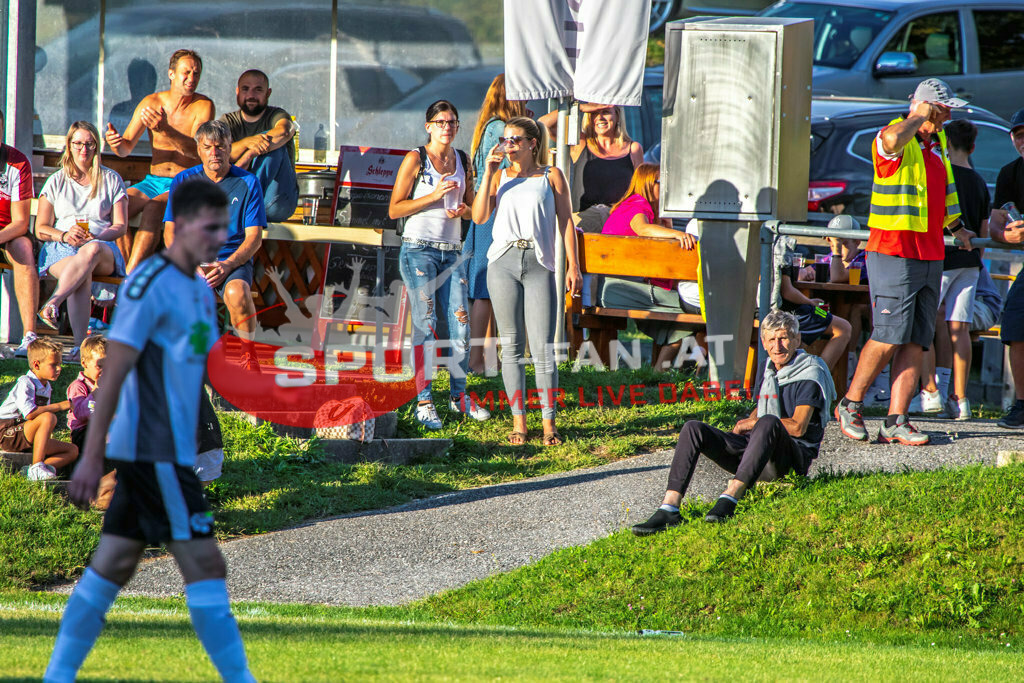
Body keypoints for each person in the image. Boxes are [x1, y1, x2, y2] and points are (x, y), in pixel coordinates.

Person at [44, 179, 256, 683]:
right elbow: (118, 370)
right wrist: (91, 457)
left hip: (164, 450)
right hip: (155, 454)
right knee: (205, 571)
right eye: (212, 226)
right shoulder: (151, 285)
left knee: (111, 568)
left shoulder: (196, 290)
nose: (220, 236)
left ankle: (58, 674)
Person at [833, 78, 972, 445]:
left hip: (930, 253)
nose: (947, 118)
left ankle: (897, 419)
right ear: (926, 108)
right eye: (943, 111)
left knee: (916, 340)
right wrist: (918, 115)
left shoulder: (937, 142)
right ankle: (850, 403)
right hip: (894, 250)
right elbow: (892, 141)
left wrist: (958, 228)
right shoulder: (894, 135)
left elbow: (945, 192)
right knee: (888, 335)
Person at [631, 310, 835, 534]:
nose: (777, 346)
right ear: (764, 343)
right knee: (693, 428)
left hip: (788, 461)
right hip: (757, 452)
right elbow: (762, 407)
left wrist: (753, 423)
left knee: (767, 422)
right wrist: (746, 422)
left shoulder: (810, 372)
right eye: (771, 339)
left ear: (797, 339)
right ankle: (669, 509)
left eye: (784, 338)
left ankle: (731, 496)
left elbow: (798, 427)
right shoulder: (769, 368)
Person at [471, 116, 582, 446]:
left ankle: (549, 424)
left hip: (539, 263)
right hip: (502, 262)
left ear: (533, 143)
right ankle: (519, 423)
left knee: (543, 347)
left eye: (515, 139)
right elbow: (478, 217)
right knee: (511, 346)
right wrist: (488, 173)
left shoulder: (551, 176)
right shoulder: (499, 175)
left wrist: (573, 266)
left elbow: (566, 222)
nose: (509, 146)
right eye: (505, 139)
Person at [388, 100, 490, 429]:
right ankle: (423, 400)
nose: (447, 127)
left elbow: (474, 210)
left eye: (453, 122)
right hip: (418, 249)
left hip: (452, 251)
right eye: (441, 122)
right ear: (428, 127)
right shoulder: (416, 159)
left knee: (461, 325)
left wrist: (463, 210)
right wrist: (433, 196)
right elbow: (394, 209)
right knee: (427, 323)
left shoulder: (463, 159)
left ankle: (458, 396)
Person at [164, 120, 265, 372]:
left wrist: (228, 264)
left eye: (220, 146)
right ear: (198, 149)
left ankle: (248, 355)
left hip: (232, 259)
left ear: (230, 147)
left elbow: (254, 237)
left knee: (237, 293)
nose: (214, 153)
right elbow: (170, 232)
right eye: (208, 147)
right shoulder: (184, 180)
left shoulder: (248, 182)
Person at [105, 49, 214, 273]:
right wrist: (115, 143)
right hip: (154, 181)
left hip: (187, 182)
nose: (191, 78)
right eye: (186, 72)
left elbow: (199, 151)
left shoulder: (203, 106)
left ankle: (129, 279)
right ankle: (125, 275)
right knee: (117, 206)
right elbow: (125, 148)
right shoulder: (151, 102)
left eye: (196, 73)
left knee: (154, 208)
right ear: (171, 74)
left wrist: (166, 130)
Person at [913, 119, 986, 420]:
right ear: (972, 147)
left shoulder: (942, 173)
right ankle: (961, 398)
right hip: (971, 262)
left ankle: (930, 391)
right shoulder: (979, 181)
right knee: (960, 328)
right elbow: (983, 228)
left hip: (941, 258)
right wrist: (977, 257)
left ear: (945, 143)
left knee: (924, 323)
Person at [34, 122, 128, 353]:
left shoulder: (111, 179)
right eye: (78, 143)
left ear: (96, 146)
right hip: (62, 247)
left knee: (91, 250)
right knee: (80, 273)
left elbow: (121, 226)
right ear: (69, 145)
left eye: (89, 144)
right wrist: (64, 235)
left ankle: (53, 301)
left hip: (101, 247)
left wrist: (97, 236)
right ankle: (79, 347)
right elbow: (41, 228)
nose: (83, 149)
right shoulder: (56, 180)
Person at [598, 163, 700, 369]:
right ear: (647, 183)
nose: (667, 188)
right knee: (694, 310)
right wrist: (678, 234)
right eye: (662, 182)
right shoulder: (638, 204)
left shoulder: (635, 205)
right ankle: (661, 372)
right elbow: (642, 229)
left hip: (619, 287)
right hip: (627, 290)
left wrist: (667, 223)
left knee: (684, 317)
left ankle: (661, 372)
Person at [465, 74, 526, 375]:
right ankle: (476, 360)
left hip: (488, 209)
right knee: (484, 289)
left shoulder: (489, 126)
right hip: (491, 211)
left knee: (488, 289)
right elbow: (508, 169)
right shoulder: (500, 129)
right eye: (522, 94)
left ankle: (489, 359)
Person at [220, 69, 299, 222]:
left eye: (258, 90)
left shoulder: (277, 115)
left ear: (268, 93)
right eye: (245, 89)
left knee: (274, 144)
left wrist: (250, 153)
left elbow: (285, 131)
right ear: (237, 92)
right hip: (238, 199)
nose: (251, 95)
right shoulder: (228, 121)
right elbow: (221, 152)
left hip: (276, 201)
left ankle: (246, 200)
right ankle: (244, 203)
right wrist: (247, 142)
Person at [988, 107, 1024, 429]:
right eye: (1019, 135)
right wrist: (1006, 235)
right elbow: (995, 224)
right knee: (1014, 324)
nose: (1023, 141)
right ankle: (1022, 405)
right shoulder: (1009, 173)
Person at [0, 337, 77, 481]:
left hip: (27, 434)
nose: (59, 368)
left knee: (72, 450)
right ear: (36, 364)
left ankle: (37, 470)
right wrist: (60, 406)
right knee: (48, 416)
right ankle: (37, 466)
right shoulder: (26, 382)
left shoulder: (46, 386)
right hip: (7, 433)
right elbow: (30, 413)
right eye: (54, 364)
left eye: (59, 364)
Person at [0, 109, 41, 356]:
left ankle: (30, 337)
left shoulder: (16, 162)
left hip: (8, 232)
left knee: (24, 248)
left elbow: (21, 223)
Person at [67, 335, 106, 453]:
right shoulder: (78, 386)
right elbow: (80, 414)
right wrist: (95, 391)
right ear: (84, 363)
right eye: (99, 366)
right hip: (83, 432)